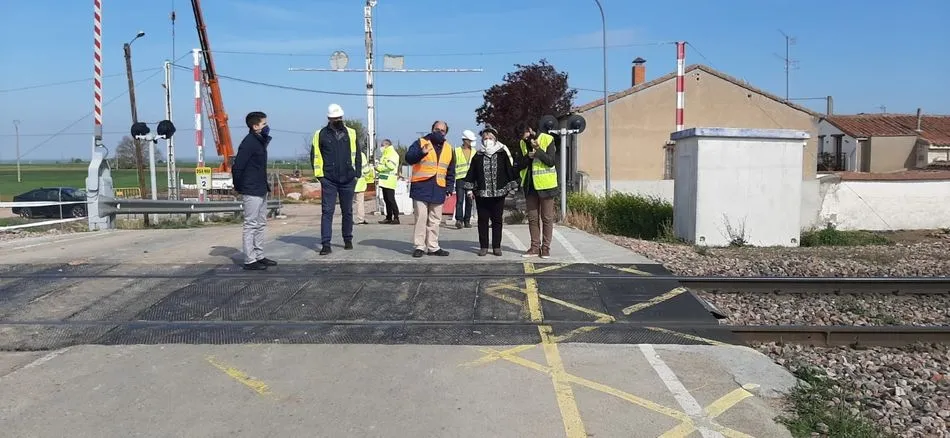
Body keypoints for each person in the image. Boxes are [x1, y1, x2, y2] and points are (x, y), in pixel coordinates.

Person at [310, 103, 363, 256]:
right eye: (334, 118)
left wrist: (356, 174)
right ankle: (326, 243)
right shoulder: (320, 134)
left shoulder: (351, 133)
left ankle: (348, 239)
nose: (337, 119)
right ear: (328, 118)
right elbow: (314, 156)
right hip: (329, 179)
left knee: (347, 211)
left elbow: (358, 154)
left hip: (348, 178)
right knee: (327, 211)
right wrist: (320, 177)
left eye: (339, 117)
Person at [462, 125, 519, 256]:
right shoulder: (478, 155)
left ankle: (496, 246)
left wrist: (512, 187)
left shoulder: (501, 153)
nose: (487, 140)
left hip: (499, 193)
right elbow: (472, 173)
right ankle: (483, 247)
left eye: (490, 137)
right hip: (482, 194)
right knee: (482, 220)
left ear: (495, 139)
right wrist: (469, 190)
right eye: (485, 138)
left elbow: (508, 170)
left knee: (497, 220)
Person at [232, 111, 277, 270]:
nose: (266, 126)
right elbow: (238, 166)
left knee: (261, 223)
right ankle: (250, 260)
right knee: (251, 224)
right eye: (264, 124)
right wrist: (238, 187)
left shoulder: (259, 141)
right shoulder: (249, 142)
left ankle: (259, 255)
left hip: (260, 187)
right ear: (255, 126)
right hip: (251, 189)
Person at [405, 120, 455, 258]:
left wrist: (450, 187)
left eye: (442, 130)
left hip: (439, 187)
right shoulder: (420, 143)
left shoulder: (449, 148)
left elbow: (450, 170)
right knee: (421, 218)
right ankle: (419, 246)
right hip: (421, 186)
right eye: (436, 129)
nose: (439, 132)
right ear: (432, 129)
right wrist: (421, 153)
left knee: (435, 219)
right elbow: (409, 158)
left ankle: (433, 246)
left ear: (446, 133)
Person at [515, 124, 558, 259]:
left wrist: (538, 151)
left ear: (530, 130)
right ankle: (534, 247)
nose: (524, 138)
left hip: (546, 185)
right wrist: (528, 156)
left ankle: (545, 248)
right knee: (533, 218)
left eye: (525, 134)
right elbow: (520, 164)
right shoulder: (522, 143)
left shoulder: (547, 139)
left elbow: (551, 161)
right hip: (530, 185)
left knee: (547, 218)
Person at [453, 130, 477, 229]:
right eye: (470, 140)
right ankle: (459, 220)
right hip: (460, 178)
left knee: (469, 200)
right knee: (460, 200)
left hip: (471, 179)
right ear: (465, 140)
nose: (471, 142)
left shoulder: (474, 151)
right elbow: (453, 164)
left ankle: (467, 220)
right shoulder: (457, 150)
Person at [376, 139, 401, 224]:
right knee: (386, 200)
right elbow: (381, 166)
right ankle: (389, 217)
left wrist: (381, 167)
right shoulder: (385, 154)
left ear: (387, 145)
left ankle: (396, 217)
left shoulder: (393, 154)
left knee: (391, 199)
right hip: (384, 180)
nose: (381, 147)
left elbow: (390, 166)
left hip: (390, 180)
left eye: (382, 145)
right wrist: (379, 168)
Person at [353, 149, 373, 225]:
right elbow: (365, 169)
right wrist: (368, 177)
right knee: (360, 202)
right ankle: (360, 219)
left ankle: (347, 219)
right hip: (360, 182)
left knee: (347, 203)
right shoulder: (361, 155)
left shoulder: (345, 152)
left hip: (347, 182)